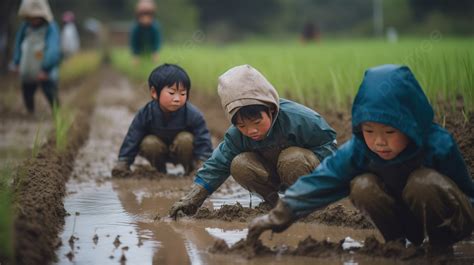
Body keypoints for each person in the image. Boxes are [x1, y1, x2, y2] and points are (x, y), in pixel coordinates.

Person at [248, 64, 474, 249]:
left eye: (389, 132)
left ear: (410, 125)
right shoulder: (359, 150)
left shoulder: (438, 145)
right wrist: (276, 217)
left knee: (421, 183)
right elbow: (319, 182)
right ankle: (395, 244)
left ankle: (440, 247)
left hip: (452, 221)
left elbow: (465, 194)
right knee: (362, 185)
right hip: (406, 220)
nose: (379, 141)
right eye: (369, 131)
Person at [169, 64, 337, 218]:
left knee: (291, 158)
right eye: (242, 125)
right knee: (239, 163)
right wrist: (192, 199)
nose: (251, 131)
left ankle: (310, 206)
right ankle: (276, 205)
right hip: (274, 176)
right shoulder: (236, 135)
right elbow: (217, 165)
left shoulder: (302, 120)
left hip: (309, 176)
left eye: (257, 122)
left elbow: (330, 150)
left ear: (271, 109)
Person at [111, 63, 213, 177]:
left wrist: (204, 163)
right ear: (154, 93)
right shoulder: (146, 113)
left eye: (183, 93)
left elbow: (203, 139)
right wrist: (123, 162)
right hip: (157, 151)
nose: (177, 99)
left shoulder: (193, 114)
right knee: (149, 142)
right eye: (172, 93)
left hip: (182, 151)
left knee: (186, 139)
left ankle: (190, 170)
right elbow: (132, 137)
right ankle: (159, 171)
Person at [12, 0, 61, 114]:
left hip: (45, 71)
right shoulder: (25, 27)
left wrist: (45, 69)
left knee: (50, 92)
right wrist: (17, 62)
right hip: (28, 67)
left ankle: (57, 115)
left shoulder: (50, 27)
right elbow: (18, 44)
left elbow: (53, 50)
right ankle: (30, 112)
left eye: (35, 17)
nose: (33, 20)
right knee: (27, 92)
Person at [129, 0, 162, 64]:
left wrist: (155, 51)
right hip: (140, 48)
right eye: (143, 15)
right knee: (136, 60)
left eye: (148, 15)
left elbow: (157, 40)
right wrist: (135, 54)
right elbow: (134, 42)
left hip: (151, 48)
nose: (145, 18)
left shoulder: (155, 27)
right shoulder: (136, 28)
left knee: (154, 58)